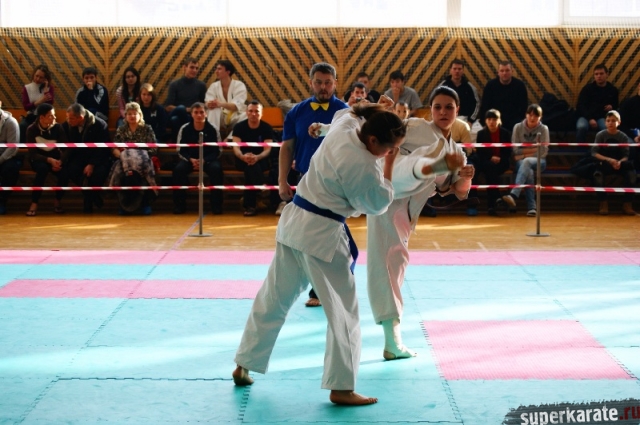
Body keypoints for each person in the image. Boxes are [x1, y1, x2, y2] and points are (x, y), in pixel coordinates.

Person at [232, 104, 407, 406]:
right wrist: (389, 165)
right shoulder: (363, 166)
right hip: (322, 237)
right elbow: (378, 203)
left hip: (294, 223)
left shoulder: (344, 126)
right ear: (374, 141)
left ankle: (243, 363)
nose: (390, 153)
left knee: (273, 298)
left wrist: (378, 109)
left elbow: (351, 111)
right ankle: (342, 387)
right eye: (389, 149)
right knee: (344, 313)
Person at [367, 86, 474, 360]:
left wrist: (466, 177)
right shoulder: (414, 126)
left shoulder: (457, 152)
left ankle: (392, 341)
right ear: (430, 110)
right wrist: (380, 111)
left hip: (406, 210)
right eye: (437, 107)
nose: (442, 112)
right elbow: (376, 131)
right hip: (389, 189)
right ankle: (428, 164)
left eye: (449, 107)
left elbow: (459, 192)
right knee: (414, 164)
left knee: (395, 264)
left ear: (458, 111)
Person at [278, 62, 348, 307]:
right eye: (318, 82)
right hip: (305, 180)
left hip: (335, 182)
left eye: (328, 82)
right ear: (311, 83)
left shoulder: (345, 112)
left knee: (331, 235)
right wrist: (282, 180)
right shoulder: (296, 112)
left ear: (335, 83)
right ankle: (305, 285)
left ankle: (324, 288)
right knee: (304, 234)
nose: (323, 87)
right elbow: (287, 147)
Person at [172, 102, 224, 215]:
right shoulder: (184, 129)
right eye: (196, 112)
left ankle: (216, 206)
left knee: (217, 170)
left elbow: (218, 150)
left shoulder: (213, 129)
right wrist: (191, 159)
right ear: (191, 114)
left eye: (201, 112)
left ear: (206, 113)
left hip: (208, 160)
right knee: (178, 170)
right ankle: (179, 205)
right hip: (189, 160)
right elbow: (180, 149)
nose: (199, 115)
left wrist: (204, 160)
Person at [499, 104, 550, 217]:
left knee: (526, 162)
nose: (532, 118)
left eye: (536, 116)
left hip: (539, 161)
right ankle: (532, 208)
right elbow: (515, 150)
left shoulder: (544, 129)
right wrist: (534, 148)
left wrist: (524, 155)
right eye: (530, 115)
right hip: (521, 163)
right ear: (526, 115)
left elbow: (543, 152)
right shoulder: (518, 127)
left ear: (540, 117)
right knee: (529, 171)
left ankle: (513, 194)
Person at [108, 102, 157, 215]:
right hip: (124, 161)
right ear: (125, 116)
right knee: (121, 173)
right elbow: (114, 147)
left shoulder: (147, 129)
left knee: (143, 175)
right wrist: (122, 154)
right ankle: (124, 205)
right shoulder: (121, 129)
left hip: (143, 161)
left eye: (135, 113)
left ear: (140, 115)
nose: (132, 116)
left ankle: (145, 204)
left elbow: (153, 148)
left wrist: (136, 155)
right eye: (129, 114)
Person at [61, 103, 112, 213]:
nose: (68, 121)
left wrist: (92, 164)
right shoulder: (67, 125)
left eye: (71, 118)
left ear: (81, 118)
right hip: (78, 158)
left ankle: (88, 202)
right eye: (67, 118)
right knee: (70, 170)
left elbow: (103, 148)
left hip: (98, 159)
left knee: (97, 174)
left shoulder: (100, 125)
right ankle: (94, 197)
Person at [25, 103, 69, 216]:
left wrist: (60, 161)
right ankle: (34, 203)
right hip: (38, 160)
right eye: (51, 116)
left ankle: (57, 201)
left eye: (54, 115)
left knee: (65, 173)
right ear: (42, 117)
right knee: (42, 169)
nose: (54, 118)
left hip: (55, 160)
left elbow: (66, 149)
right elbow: (33, 154)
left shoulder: (58, 128)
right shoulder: (31, 130)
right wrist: (49, 160)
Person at [590, 110, 637, 215]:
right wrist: (609, 160)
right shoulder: (600, 135)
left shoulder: (623, 137)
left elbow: (626, 155)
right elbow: (594, 153)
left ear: (619, 122)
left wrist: (619, 162)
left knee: (632, 175)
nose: (610, 123)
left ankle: (627, 204)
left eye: (613, 121)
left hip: (620, 164)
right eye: (608, 121)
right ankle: (603, 203)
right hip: (605, 163)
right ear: (605, 122)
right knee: (597, 176)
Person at [232, 100, 274, 216]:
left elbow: (267, 149)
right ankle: (260, 187)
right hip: (242, 159)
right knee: (250, 167)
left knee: (251, 169)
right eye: (251, 111)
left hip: (261, 160)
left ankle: (250, 206)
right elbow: (236, 147)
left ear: (262, 113)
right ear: (246, 112)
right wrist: (243, 157)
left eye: (257, 111)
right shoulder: (239, 127)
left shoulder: (267, 128)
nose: (253, 114)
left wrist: (257, 157)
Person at [467, 109, 512, 216]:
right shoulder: (481, 134)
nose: (491, 122)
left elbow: (508, 151)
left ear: (499, 120)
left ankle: (493, 203)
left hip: (502, 162)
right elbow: (481, 152)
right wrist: (491, 157)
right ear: (486, 121)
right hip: (487, 161)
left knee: (490, 170)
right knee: (489, 169)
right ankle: (494, 201)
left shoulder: (505, 133)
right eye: (489, 119)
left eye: (494, 119)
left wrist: (500, 158)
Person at [165, 57, 207, 142]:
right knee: (180, 109)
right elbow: (168, 107)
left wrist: (193, 111)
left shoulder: (201, 85)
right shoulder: (174, 84)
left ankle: (179, 145)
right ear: (184, 67)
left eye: (196, 68)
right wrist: (186, 109)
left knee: (175, 120)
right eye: (192, 67)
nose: (194, 70)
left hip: (192, 116)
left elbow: (204, 105)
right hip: (178, 112)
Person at [478, 60, 528, 132]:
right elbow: (485, 106)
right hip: (495, 120)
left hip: (514, 121)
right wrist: (484, 123)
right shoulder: (490, 86)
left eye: (507, 70)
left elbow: (524, 106)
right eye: (502, 71)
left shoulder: (520, 86)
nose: (504, 73)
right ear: (498, 72)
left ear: (512, 71)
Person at [575, 64, 619, 144]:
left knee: (607, 128)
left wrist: (612, 106)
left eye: (601, 74)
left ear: (607, 74)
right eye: (596, 74)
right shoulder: (587, 89)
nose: (599, 76)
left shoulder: (612, 90)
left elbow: (616, 105)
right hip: (585, 117)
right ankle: (580, 150)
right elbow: (580, 106)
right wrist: (590, 119)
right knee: (581, 127)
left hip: (602, 117)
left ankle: (604, 150)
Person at [205, 59, 247, 138]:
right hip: (220, 117)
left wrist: (220, 104)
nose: (216, 71)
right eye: (216, 69)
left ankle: (229, 139)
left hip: (235, 115)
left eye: (219, 69)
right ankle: (213, 138)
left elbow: (236, 106)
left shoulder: (239, 85)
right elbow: (207, 102)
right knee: (213, 110)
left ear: (228, 72)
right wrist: (209, 104)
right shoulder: (214, 86)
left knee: (247, 115)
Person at [437, 59, 480, 124]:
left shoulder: (469, 87)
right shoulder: (442, 86)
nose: (457, 71)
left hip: (465, 120)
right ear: (450, 70)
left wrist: (470, 121)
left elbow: (477, 104)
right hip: (446, 118)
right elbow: (435, 102)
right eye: (454, 69)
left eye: (459, 69)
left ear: (463, 71)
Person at [20, 64, 54, 143]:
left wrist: (46, 91)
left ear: (45, 79)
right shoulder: (27, 88)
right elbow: (26, 107)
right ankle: (23, 148)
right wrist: (38, 102)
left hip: (44, 116)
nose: (37, 79)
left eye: (41, 77)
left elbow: (50, 104)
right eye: (36, 76)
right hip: (31, 116)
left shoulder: (49, 88)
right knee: (22, 126)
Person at [0, 100, 21, 215]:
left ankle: (2, 201)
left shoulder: (11, 122)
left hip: (6, 158)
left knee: (11, 169)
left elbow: (12, 147)